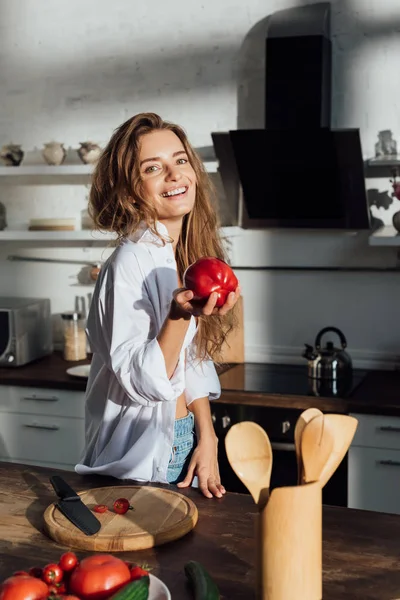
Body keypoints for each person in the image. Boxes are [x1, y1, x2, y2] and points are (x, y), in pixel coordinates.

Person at [75, 112, 240, 499]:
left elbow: (190, 359)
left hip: (182, 438)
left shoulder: (179, 253)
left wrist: (208, 435)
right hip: (142, 453)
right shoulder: (129, 261)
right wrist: (180, 316)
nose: (174, 174)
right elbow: (144, 382)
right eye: (154, 168)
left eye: (180, 160)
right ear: (131, 191)